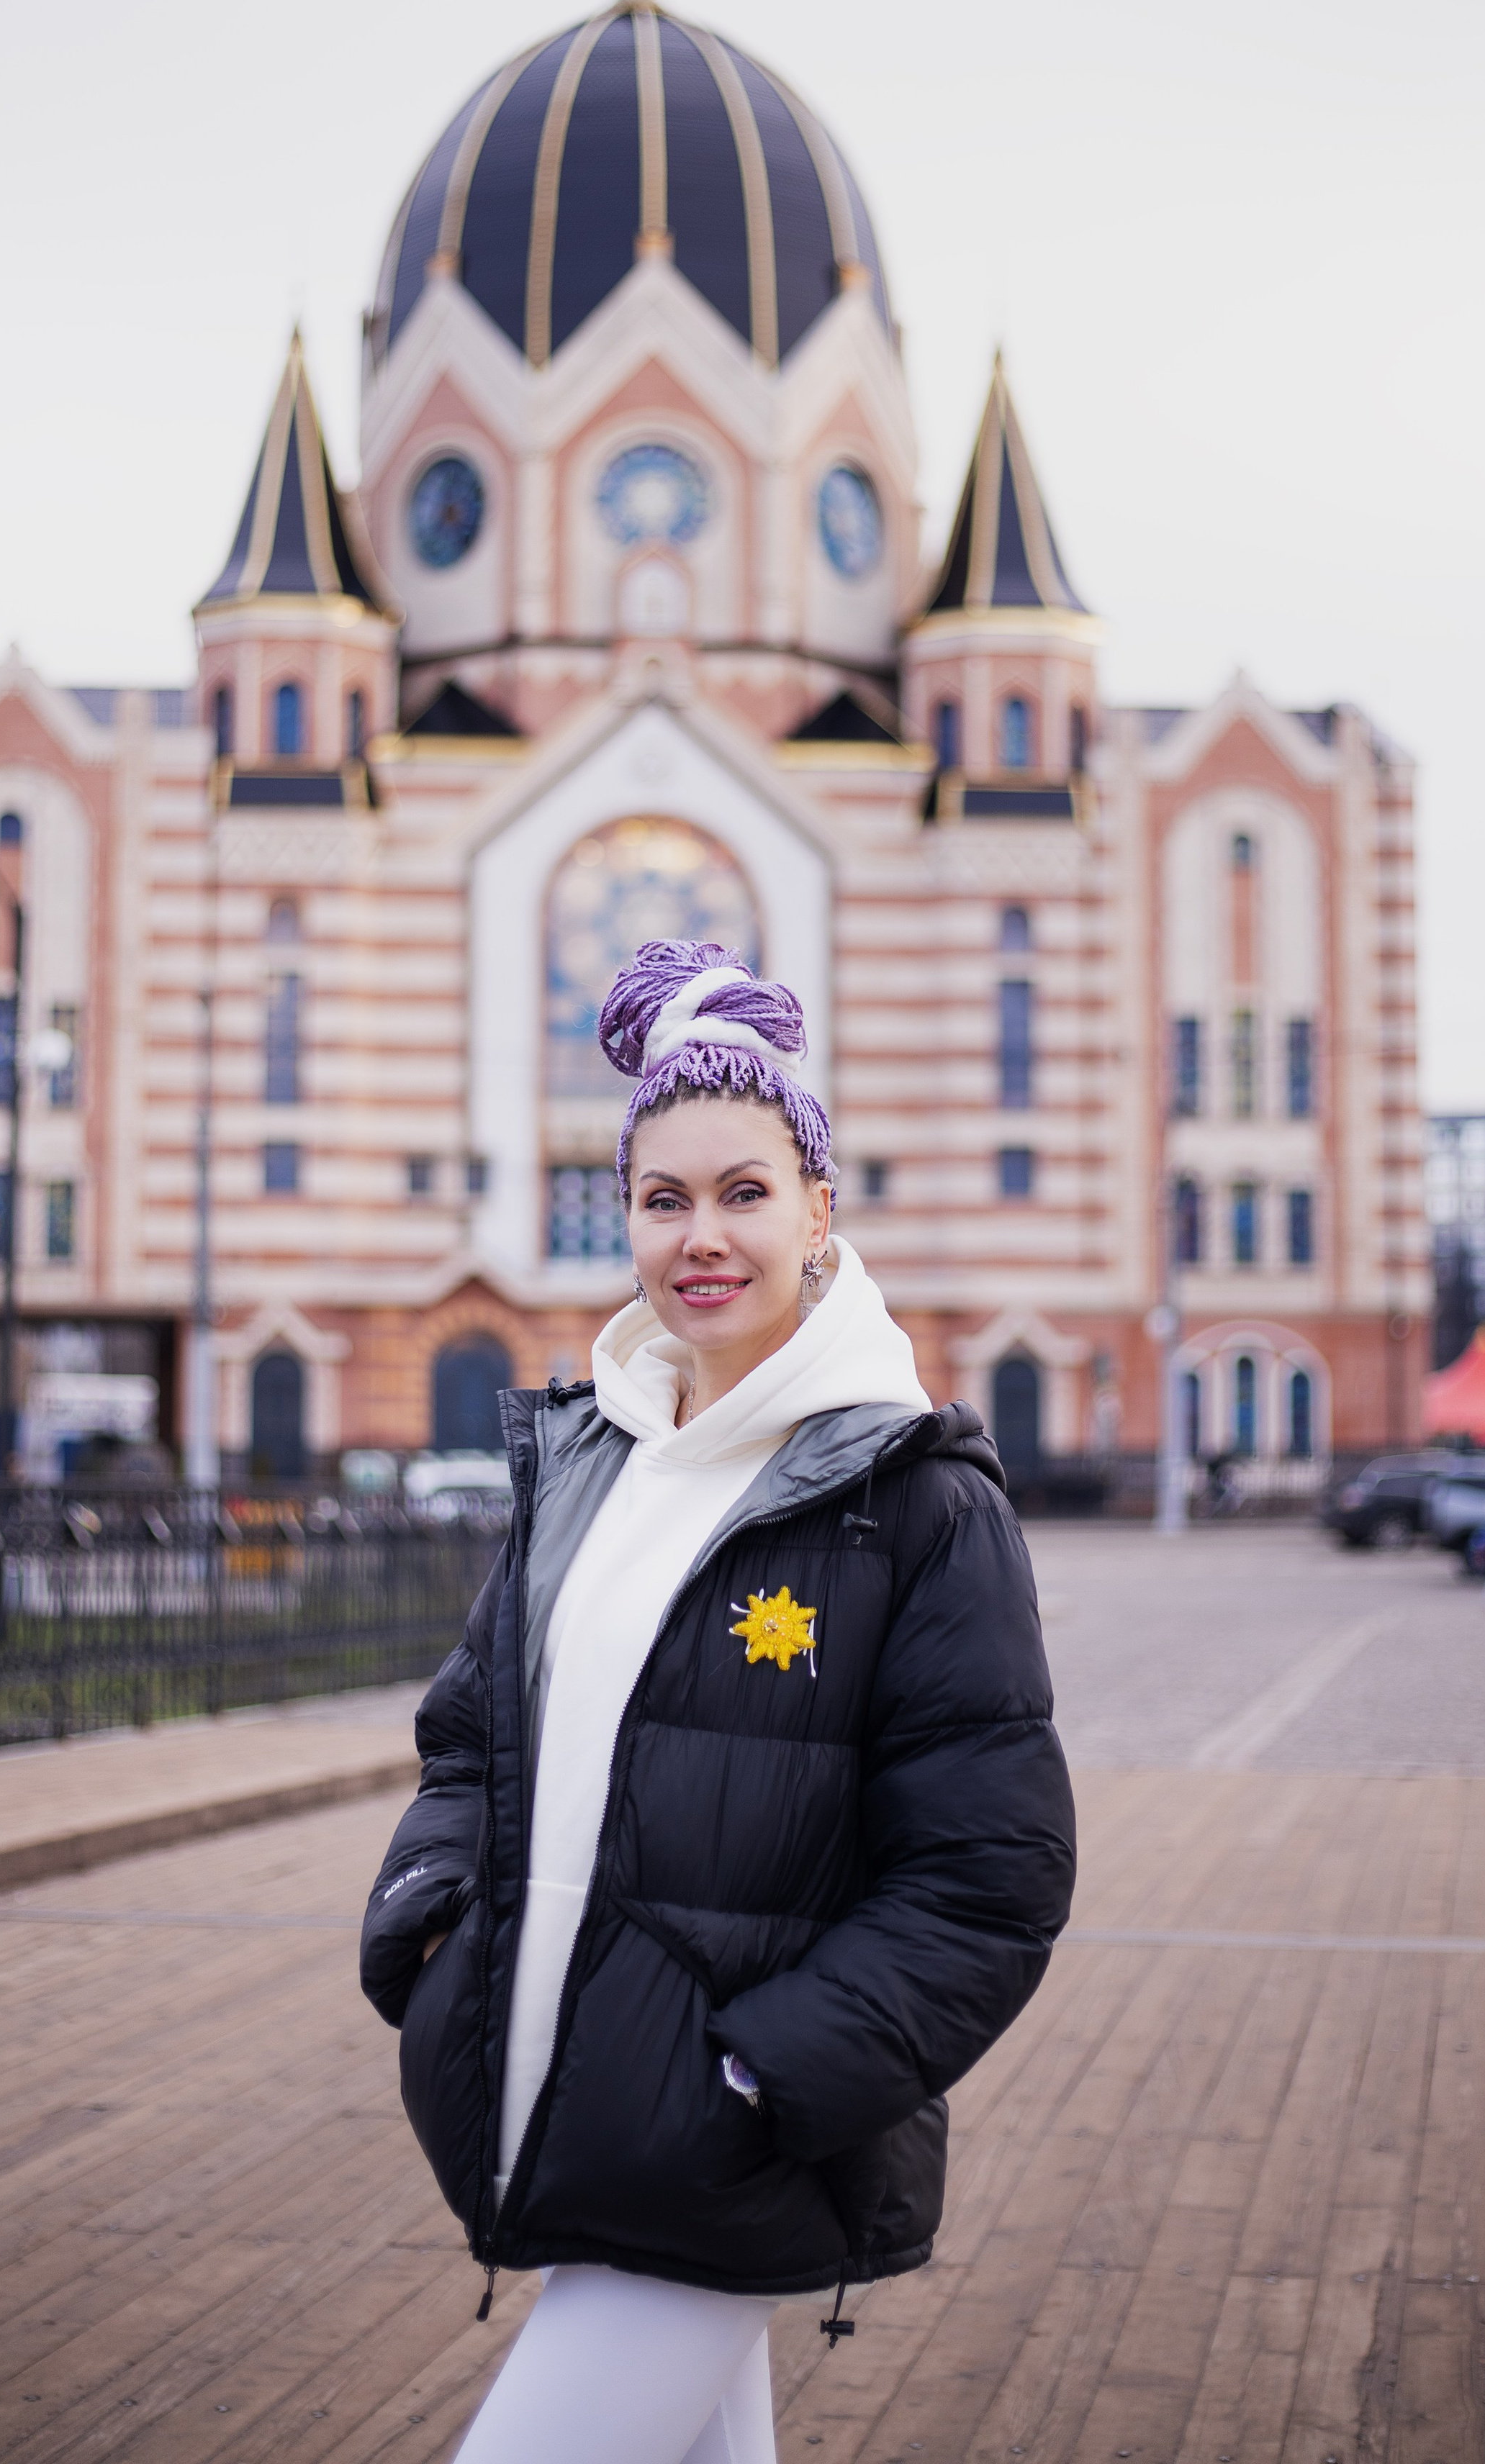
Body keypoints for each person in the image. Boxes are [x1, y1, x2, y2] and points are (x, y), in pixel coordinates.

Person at [361, 940, 1076, 2464]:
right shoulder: (590, 1462)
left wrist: (758, 2078)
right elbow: (471, 1739)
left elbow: (990, 1880)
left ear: (818, 1212)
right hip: (549, 2097)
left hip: (719, 2143)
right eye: (661, 1198)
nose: (701, 1237)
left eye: (744, 1192)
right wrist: (428, 1935)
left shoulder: (914, 1497)